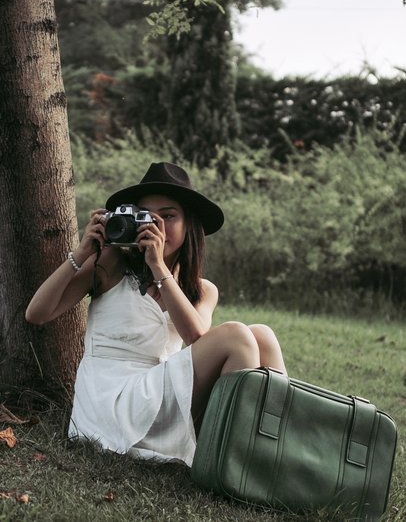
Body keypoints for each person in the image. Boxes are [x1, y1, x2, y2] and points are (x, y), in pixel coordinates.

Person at [25, 162, 286, 466]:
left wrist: (159, 268)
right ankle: (233, 460)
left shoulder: (202, 289)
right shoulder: (111, 265)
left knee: (262, 336)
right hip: (111, 400)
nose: (156, 225)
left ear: (190, 225)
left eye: (169, 216)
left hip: (160, 394)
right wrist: (82, 253)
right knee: (237, 336)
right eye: (147, 216)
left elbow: (194, 336)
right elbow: (36, 314)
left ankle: (272, 446)